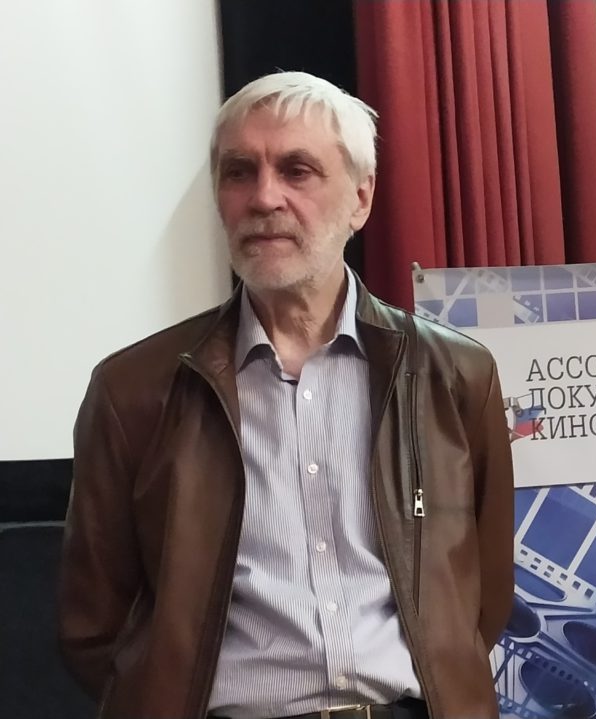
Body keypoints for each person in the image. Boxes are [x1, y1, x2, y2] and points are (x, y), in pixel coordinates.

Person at [57, 71, 514, 719]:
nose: (264, 197)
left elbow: (481, 599)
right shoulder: (134, 391)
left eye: (297, 171)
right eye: (239, 172)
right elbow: (95, 624)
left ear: (360, 198)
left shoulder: (454, 376)